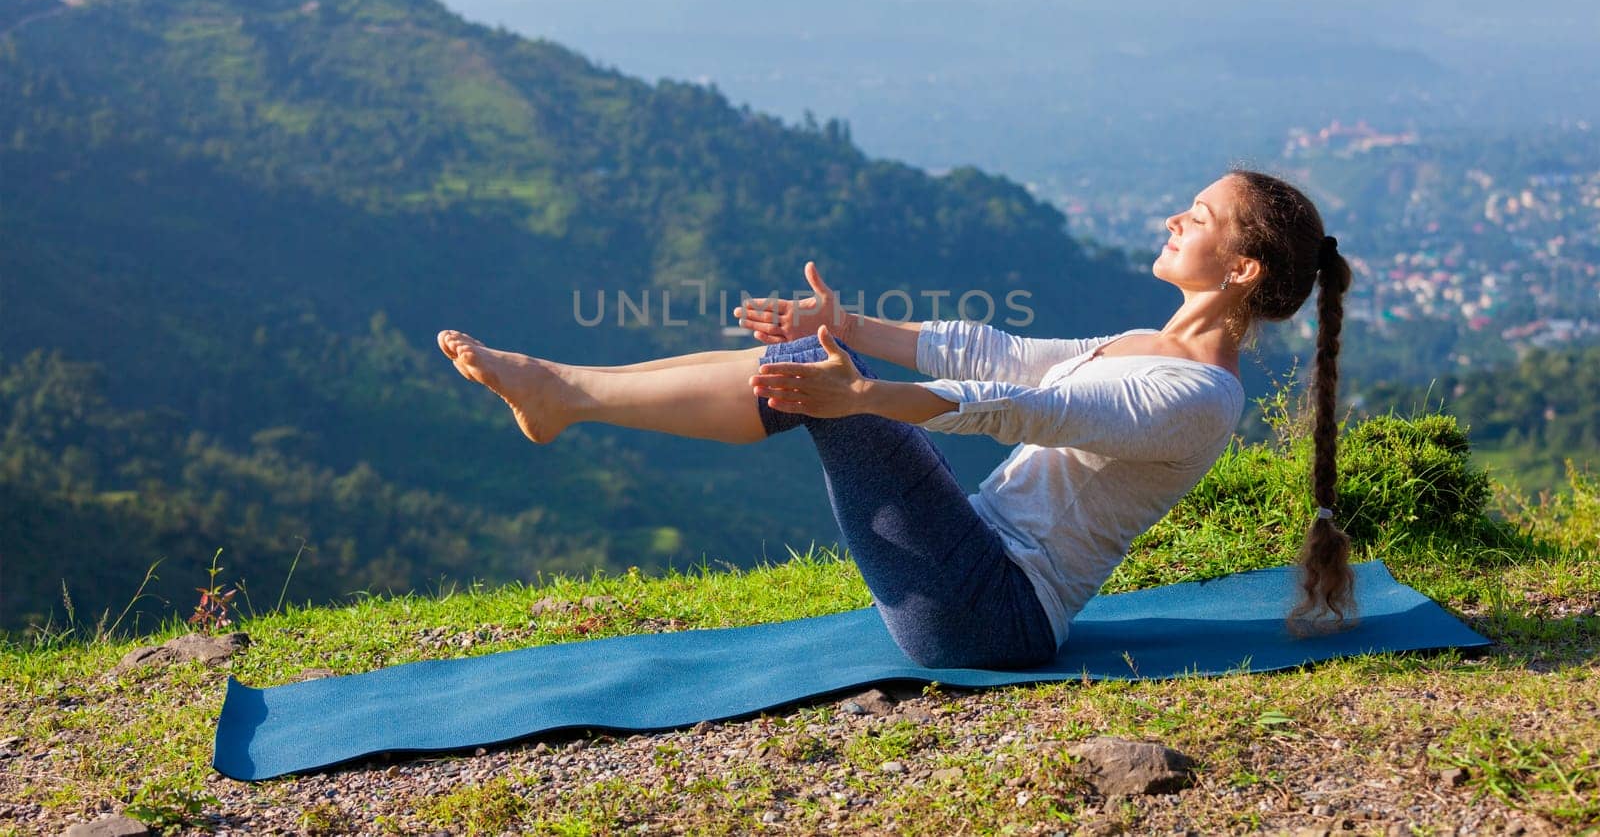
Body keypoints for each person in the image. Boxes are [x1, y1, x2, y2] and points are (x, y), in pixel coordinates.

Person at [437, 169, 1354, 669]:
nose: (1172, 218)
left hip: (991, 617)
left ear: (1238, 270)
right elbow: (993, 355)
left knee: (824, 382)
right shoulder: (1149, 345)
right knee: (809, 359)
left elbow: (1022, 407)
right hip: (971, 571)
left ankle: (562, 394)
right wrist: (842, 326)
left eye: (1195, 216)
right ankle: (563, 392)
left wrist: (866, 395)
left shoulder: (1198, 397)